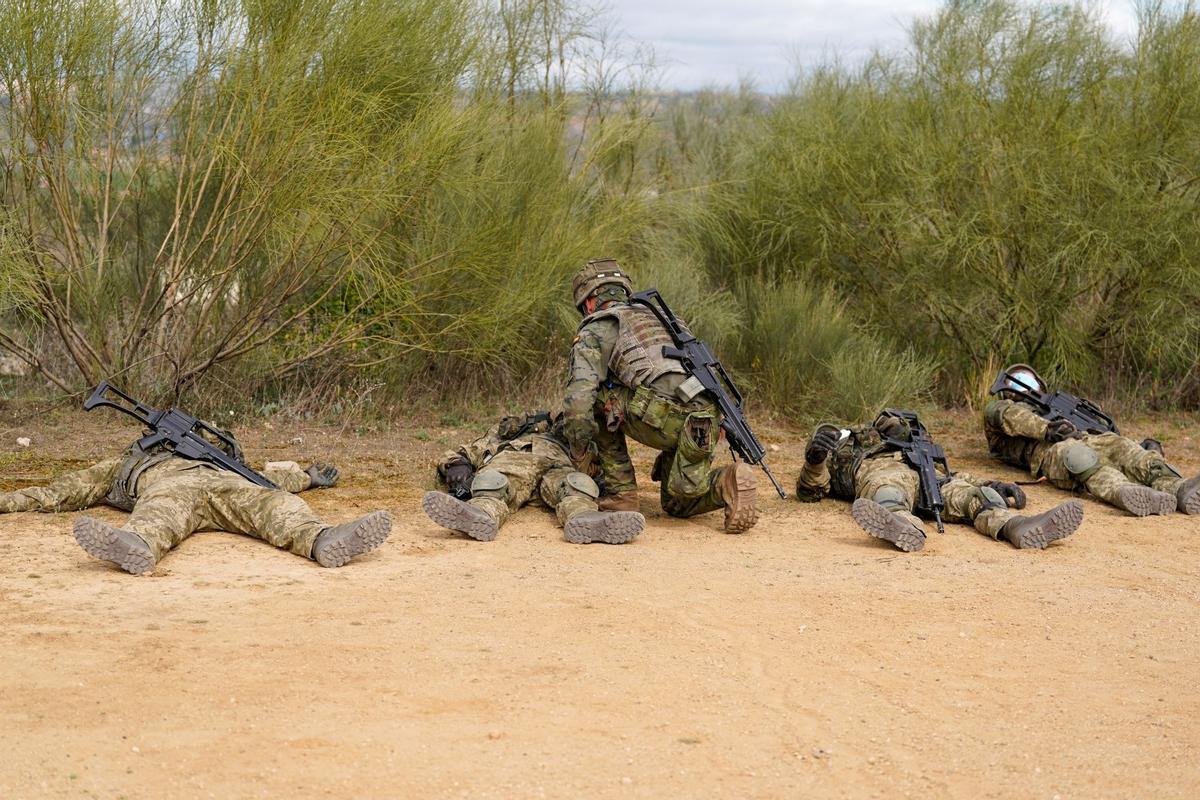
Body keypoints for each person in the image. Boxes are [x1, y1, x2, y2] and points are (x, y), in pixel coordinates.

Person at [0, 433, 391, 574]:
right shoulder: (125, 464)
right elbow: (63, 490)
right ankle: (136, 546)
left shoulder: (212, 460)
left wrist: (305, 477)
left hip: (224, 486)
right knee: (159, 513)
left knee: (272, 503)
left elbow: (263, 481)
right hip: (172, 489)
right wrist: (8, 502)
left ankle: (323, 539)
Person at [560, 258, 757, 533]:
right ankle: (728, 481)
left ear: (589, 302)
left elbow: (578, 400)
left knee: (598, 399)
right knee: (678, 502)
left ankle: (622, 495)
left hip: (662, 419)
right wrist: (721, 419)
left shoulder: (598, 326)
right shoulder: (665, 319)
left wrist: (579, 451)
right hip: (705, 421)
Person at [796, 410, 1084, 552]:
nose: (899, 422)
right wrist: (815, 461)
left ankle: (1015, 526)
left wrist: (992, 484)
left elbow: (953, 476)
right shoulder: (851, 445)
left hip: (932, 478)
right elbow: (812, 491)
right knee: (887, 490)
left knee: (975, 496)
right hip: (883, 471)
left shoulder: (921, 447)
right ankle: (900, 524)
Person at [983, 364, 1199, 516]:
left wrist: (1138, 446)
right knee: (1078, 457)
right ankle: (1126, 492)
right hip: (1046, 450)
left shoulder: (1055, 407)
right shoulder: (1002, 408)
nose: (1024, 383)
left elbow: (1099, 432)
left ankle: (1177, 488)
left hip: (1085, 438)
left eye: (1027, 378)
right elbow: (1009, 418)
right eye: (1018, 378)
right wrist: (1048, 429)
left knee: (1122, 446)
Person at [422, 410, 645, 544]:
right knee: (492, 484)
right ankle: (480, 515)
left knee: (578, 486)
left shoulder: (573, 442)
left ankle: (585, 518)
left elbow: (602, 464)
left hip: (558, 465)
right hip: (515, 462)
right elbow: (462, 453)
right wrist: (456, 465)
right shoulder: (501, 440)